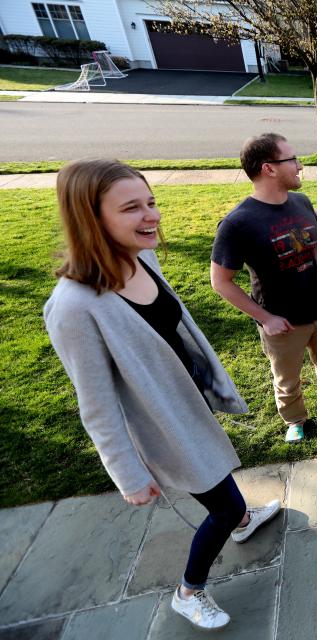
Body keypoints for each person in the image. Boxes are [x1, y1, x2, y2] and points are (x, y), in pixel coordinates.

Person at [44, 160, 281, 631]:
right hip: (162, 425)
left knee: (218, 482)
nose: (151, 216)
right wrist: (128, 475)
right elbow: (96, 403)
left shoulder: (140, 257)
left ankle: (240, 520)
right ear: (90, 219)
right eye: (132, 207)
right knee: (224, 502)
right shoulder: (72, 307)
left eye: (151, 201)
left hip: (188, 400)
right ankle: (189, 590)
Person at [211, 133, 317, 444]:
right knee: (287, 381)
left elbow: (316, 252)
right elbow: (220, 282)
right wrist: (266, 318)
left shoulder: (302, 203)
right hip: (281, 323)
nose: (300, 165)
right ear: (269, 169)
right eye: (292, 159)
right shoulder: (237, 223)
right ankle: (295, 420)